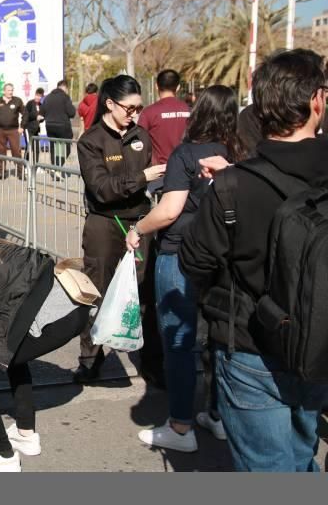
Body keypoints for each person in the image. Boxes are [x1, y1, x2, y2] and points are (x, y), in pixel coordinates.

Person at [179, 49, 328, 471]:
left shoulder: (231, 186)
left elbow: (194, 264)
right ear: (317, 101)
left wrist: (219, 192)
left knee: (268, 469)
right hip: (320, 341)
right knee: (303, 454)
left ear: (259, 109)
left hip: (251, 346)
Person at [125, 85, 244, 453]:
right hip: (225, 258)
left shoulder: (186, 155)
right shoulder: (240, 154)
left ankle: (180, 426)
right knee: (220, 340)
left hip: (180, 254)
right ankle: (218, 414)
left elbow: (170, 210)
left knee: (178, 341)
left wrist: (137, 228)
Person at [0, 235, 90, 472]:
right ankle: (25, 434)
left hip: (55, 318)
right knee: (9, 350)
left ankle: (2, 455)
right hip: (68, 306)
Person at [74, 75, 166, 383]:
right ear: (110, 104)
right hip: (104, 222)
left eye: (139, 108)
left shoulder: (141, 135)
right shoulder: (91, 140)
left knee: (144, 293)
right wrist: (142, 176)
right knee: (96, 291)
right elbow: (101, 188)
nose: (135, 114)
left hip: (140, 221)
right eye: (129, 108)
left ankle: (152, 361)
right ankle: (90, 360)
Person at [137, 69, 190, 166]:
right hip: (187, 169)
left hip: (160, 172)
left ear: (156, 86)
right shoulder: (190, 110)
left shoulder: (148, 112)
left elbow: (139, 142)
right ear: (178, 87)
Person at [0, 83, 25, 177]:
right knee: (0, 152)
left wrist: (22, 126)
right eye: (9, 90)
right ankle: (1, 172)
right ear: (4, 91)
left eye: (12, 90)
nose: (10, 92)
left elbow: (25, 114)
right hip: (0, 130)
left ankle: (20, 172)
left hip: (13, 130)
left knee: (16, 151)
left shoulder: (17, 101)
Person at [41, 80, 77, 169]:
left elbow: (42, 112)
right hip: (62, 126)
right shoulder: (65, 97)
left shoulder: (48, 97)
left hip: (49, 126)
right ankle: (58, 167)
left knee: (54, 148)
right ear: (65, 87)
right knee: (66, 148)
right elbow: (72, 113)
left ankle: (55, 167)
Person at [24, 88, 44, 163]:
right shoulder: (30, 103)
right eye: (37, 95)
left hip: (36, 130)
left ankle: (36, 166)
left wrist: (42, 118)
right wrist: (36, 117)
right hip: (28, 129)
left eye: (40, 96)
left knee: (36, 149)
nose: (38, 97)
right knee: (29, 148)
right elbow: (26, 115)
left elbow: (41, 118)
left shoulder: (41, 106)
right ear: (35, 95)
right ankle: (26, 166)